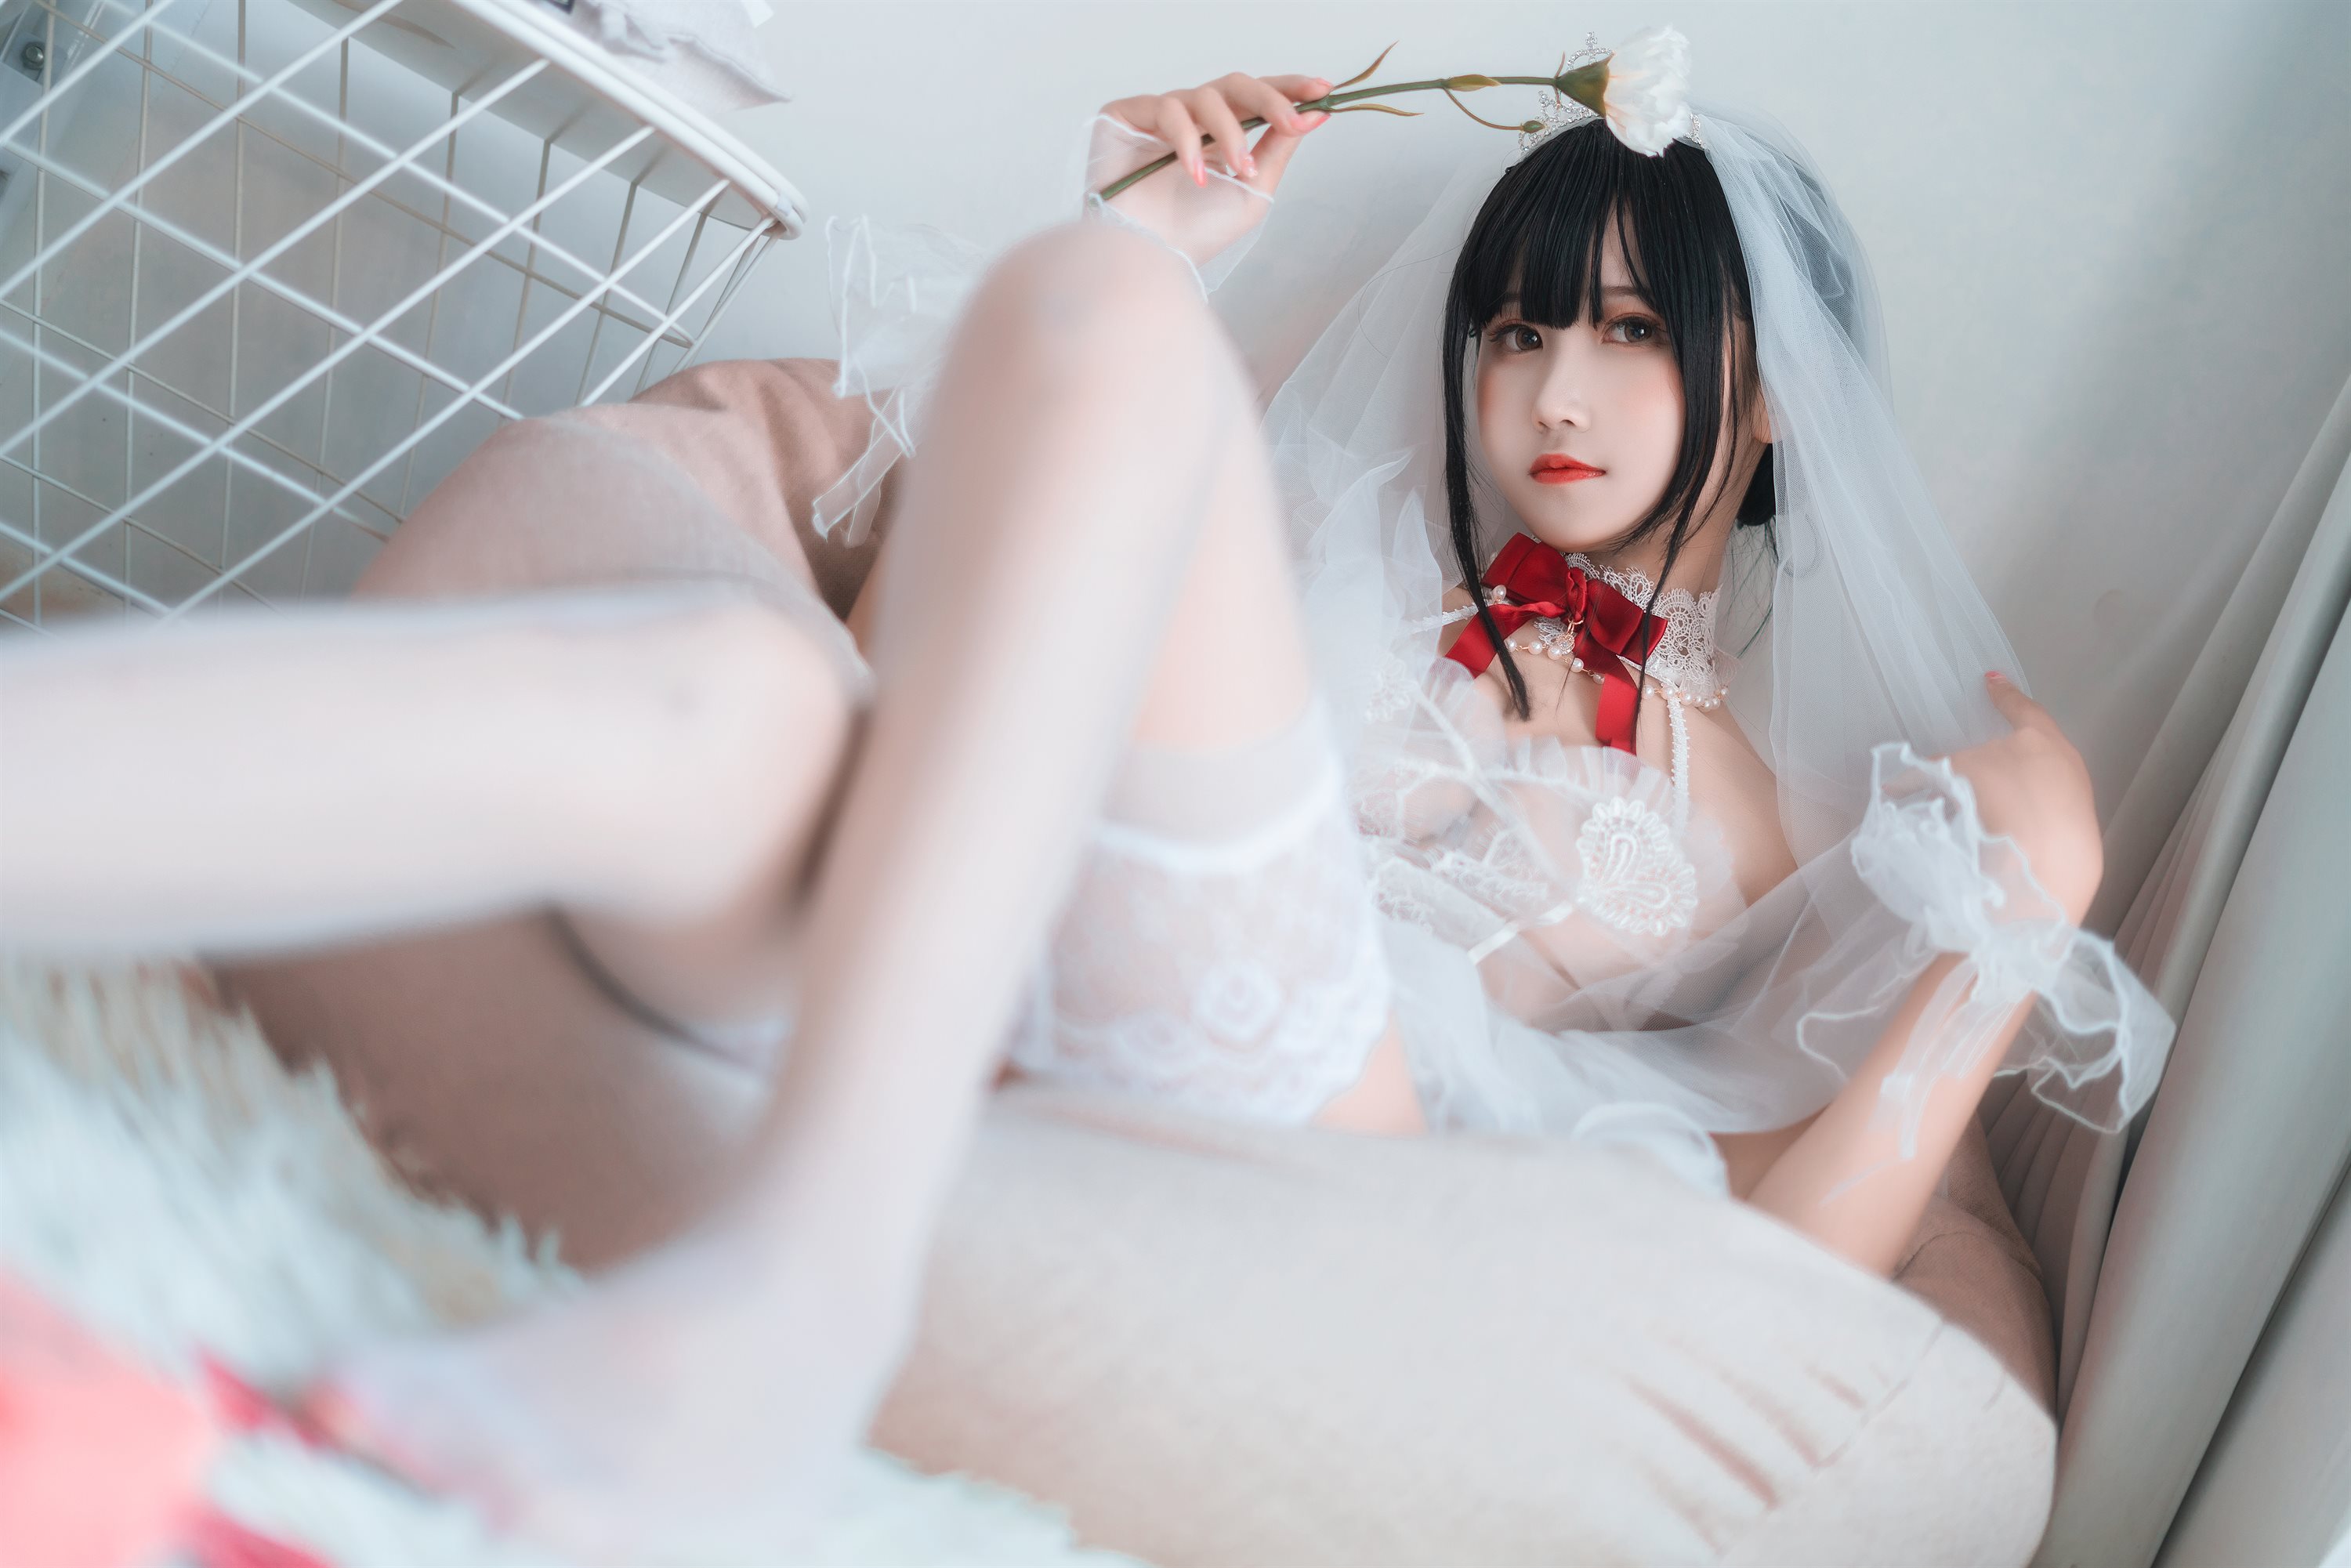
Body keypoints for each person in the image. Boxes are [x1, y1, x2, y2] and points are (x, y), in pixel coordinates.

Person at [0, 51, 2168, 1554]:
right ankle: (783, 1284)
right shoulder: (1329, 546)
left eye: (1624, 333)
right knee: (754, 680)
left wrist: (2020, 908)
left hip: (1323, 1145)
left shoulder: (1769, 827)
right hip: (960, 933)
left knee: (1097, 329)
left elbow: (1769, 1284)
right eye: (1516, 331)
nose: (1551, 390)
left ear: (1765, 399)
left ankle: (801, 1287)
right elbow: (934, 645)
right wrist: (1155, 248)